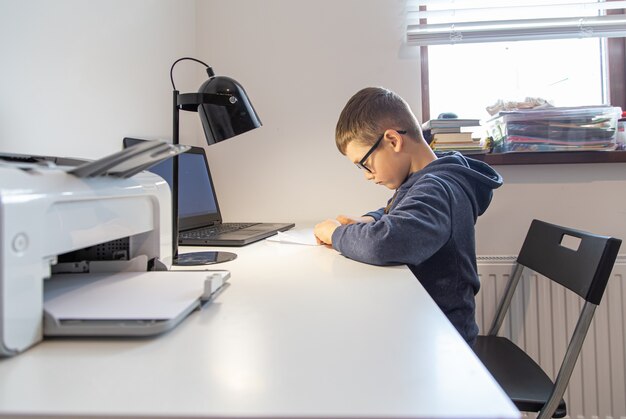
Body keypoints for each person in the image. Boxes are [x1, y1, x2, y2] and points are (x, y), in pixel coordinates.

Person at [314, 87, 503, 345]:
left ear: (393, 140)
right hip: (425, 323)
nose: (366, 175)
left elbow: (388, 242)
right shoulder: (426, 181)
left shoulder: (436, 188)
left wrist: (336, 233)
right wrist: (371, 219)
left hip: (443, 340)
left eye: (364, 164)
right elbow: (402, 211)